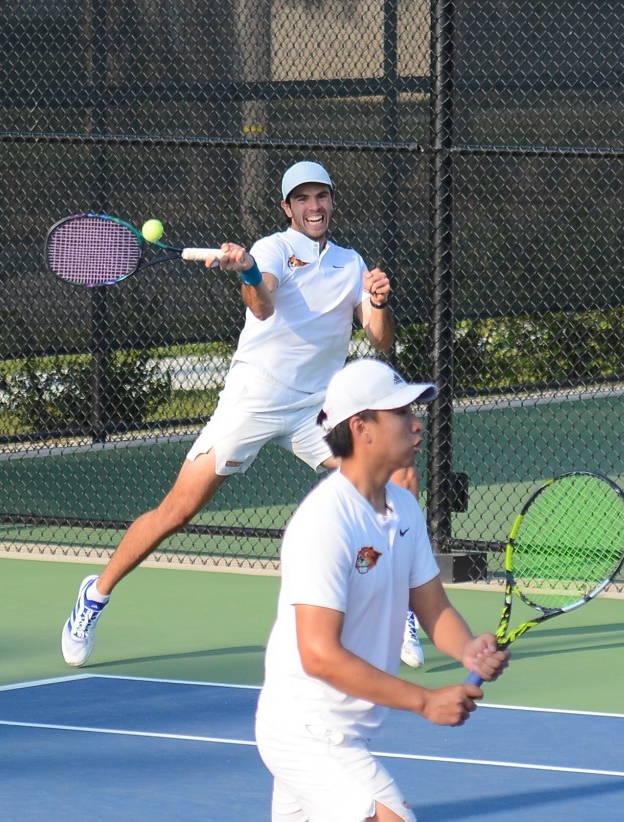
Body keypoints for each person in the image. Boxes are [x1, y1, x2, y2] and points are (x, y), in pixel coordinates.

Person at [150, 358, 508, 822]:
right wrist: (422, 699)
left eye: (415, 409)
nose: (416, 421)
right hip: (309, 728)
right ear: (361, 428)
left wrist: (464, 646)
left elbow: (430, 606)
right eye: (401, 411)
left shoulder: (400, 509)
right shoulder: (323, 522)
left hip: (326, 725)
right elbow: (319, 653)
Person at [61, 161, 431, 670]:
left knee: (397, 479)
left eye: (321, 196)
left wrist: (379, 301)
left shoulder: (351, 263)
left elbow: (380, 339)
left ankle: (400, 608)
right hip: (254, 397)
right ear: (288, 208)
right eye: (302, 199)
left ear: (331, 201)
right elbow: (262, 305)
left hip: (316, 410)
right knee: (179, 511)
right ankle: (95, 594)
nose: (314, 206)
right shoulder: (273, 248)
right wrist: (249, 271)